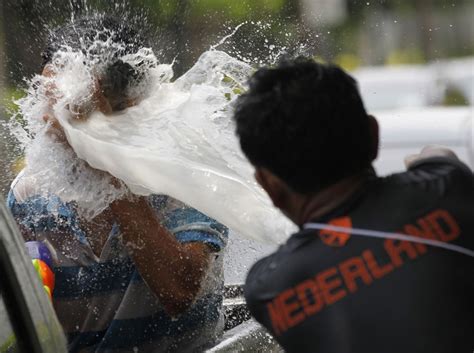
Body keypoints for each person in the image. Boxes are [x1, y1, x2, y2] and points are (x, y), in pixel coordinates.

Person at [8, 17, 228, 353]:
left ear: (132, 108)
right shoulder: (30, 193)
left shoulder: (185, 172)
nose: (48, 119)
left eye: (70, 107)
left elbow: (178, 293)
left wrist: (103, 159)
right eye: (44, 100)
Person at [233, 58, 474, 353]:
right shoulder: (447, 188)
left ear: (269, 186)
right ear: (374, 136)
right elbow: (439, 155)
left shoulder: (270, 287)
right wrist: (427, 160)